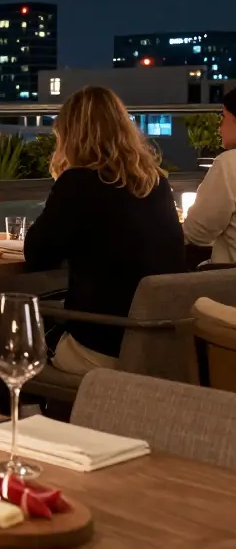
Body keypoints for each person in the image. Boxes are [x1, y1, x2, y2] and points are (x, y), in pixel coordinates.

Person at [24, 85, 187, 373]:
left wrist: (61, 184)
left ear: (70, 136)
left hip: (100, 347)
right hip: (160, 347)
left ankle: (31, 415)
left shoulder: (77, 183)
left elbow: (37, 255)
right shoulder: (157, 183)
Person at [183, 88, 236, 265]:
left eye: (223, 117)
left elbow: (197, 232)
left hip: (228, 284)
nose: (219, 126)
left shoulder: (229, 163)